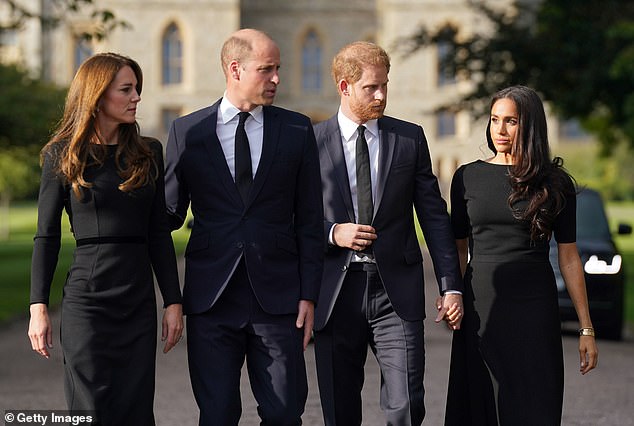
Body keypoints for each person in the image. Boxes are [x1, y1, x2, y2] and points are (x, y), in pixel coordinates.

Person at [164, 28, 323, 425]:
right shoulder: (188, 132)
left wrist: (309, 295)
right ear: (235, 69)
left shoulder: (297, 129)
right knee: (217, 414)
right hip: (210, 299)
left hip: (279, 300)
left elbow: (309, 220)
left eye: (278, 69)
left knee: (285, 413)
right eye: (266, 69)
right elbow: (166, 216)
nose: (277, 79)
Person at [27, 52, 184, 425]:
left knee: (135, 409)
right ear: (97, 96)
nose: (136, 98)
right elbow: (46, 236)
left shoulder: (149, 153)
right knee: (90, 410)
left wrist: (173, 302)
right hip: (88, 302)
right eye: (126, 89)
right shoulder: (61, 156)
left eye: (137, 89)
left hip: (137, 300)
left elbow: (158, 234)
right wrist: (38, 307)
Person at [312, 41, 463, 426]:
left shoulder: (409, 139)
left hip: (395, 293)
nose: (381, 96)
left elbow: (434, 216)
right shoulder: (310, 143)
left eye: (385, 86)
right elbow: (290, 218)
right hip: (335, 293)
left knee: (407, 407)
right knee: (339, 410)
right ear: (345, 87)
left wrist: (450, 284)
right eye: (371, 88)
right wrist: (332, 233)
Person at [444, 85, 599, 425]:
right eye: (495, 119)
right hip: (480, 307)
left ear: (529, 126)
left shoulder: (555, 182)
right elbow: (457, 249)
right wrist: (451, 295)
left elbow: (569, 257)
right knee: (480, 404)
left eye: (510, 121)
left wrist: (586, 328)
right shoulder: (466, 177)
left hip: (535, 309)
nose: (499, 130)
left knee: (533, 405)